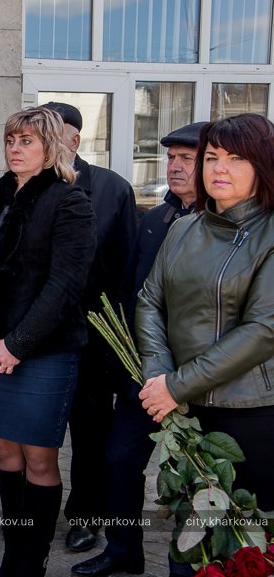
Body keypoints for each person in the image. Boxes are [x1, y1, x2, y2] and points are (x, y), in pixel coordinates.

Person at [0, 107, 96, 576]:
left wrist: (16, 345)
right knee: (7, 454)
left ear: (50, 147)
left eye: (27, 141)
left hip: (43, 352)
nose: (16, 149)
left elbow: (65, 286)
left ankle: (29, 562)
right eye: (11, 140)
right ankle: (13, 552)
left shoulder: (68, 201)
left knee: (38, 457)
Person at [136, 114, 274, 576]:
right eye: (213, 156)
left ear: (263, 165)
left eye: (237, 159)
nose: (219, 168)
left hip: (252, 414)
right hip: (184, 410)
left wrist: (176, 385)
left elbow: (263, 330)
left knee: (244, 544)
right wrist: (158, 375)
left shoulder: (270, 234)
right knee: (190, 535)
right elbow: (150, 301)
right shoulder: (183, 228)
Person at [72, 121, 206, 576]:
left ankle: (187, 562)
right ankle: (123, 548)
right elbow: (130, 293)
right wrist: (122, 366)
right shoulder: (155, 219)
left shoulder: (223, 225)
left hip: (198, 379)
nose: (174, 166)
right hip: (143, 371)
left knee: (192, 473)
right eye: (170, 158)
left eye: (186, 158)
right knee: (118, 459)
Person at [40, 101, 138, 553]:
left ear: (73, 141)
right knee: (32, 434)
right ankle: (31, 512)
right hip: (34, 339)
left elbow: (124, 270)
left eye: (47, 133)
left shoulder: (113, 190)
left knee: (90, 434)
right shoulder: (23, 187)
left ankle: (86, 515)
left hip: (92, 338)